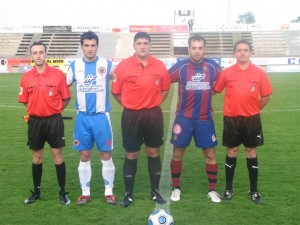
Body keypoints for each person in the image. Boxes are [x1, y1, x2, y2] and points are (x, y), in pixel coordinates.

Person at [111, 31, 171, 207]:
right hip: (131, 116)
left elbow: (165, 89)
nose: (142, 46)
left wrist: (155, 102)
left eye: (145, 43)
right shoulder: (123, 66)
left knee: (153, 153)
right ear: (134, 46)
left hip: (153, 115)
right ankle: (128, 194)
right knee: (132, 154)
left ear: (150, 45)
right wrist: (130, 105)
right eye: (139, 43)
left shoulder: (159, 66)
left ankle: (155, 191)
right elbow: (116, 92)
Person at [214, 40, 273, 204]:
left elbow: (266, 96)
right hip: (231, 119)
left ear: (250, 53)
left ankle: (254, 191)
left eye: (245, 50)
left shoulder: (259, 73)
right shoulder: (227, 73)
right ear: (235, 53)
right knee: (231, 151)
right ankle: (228, 189)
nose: (242, 53)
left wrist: (254, 109)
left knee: (251, 152)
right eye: (239, 50)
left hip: (251, 119)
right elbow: (216, 90)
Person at [169, 35, 221, 203]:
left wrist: (213, 91)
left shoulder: (213, 66)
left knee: (210, 153)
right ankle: (176, 188)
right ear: (188, 49)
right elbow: (163, 80)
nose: (197, 51)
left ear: (204, 49)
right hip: (183, 117)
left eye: (200, 48)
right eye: (194, 47)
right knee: (178, 152)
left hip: (205, 118)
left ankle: (212, 190)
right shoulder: (180, 66)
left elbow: (225, 81)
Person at [66, 31, 116, 206]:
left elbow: (121, 82)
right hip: (83, 119)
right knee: (84, 155)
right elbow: (64, 87)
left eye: (93, 45)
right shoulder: (74, 66)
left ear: (97, 46)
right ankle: (85, 193)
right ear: (81, 46)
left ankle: (108, 192)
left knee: (105, 154)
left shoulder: (108, 65)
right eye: (86, 45)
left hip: (102, 118)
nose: (89, 49)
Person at [18, 41, 71, 205]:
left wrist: (54, 110)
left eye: (41, 52)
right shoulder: (26, 77)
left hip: (54, 121)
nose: (38, 55)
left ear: (45, 53)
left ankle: (62, 193)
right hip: (35, 122)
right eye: (35, 53)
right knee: (37, 158)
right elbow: (25, 100)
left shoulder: (57, 74)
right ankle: (37, 192)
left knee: (57, 156)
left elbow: (66, 97)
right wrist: (36, 110)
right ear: (31, 55)